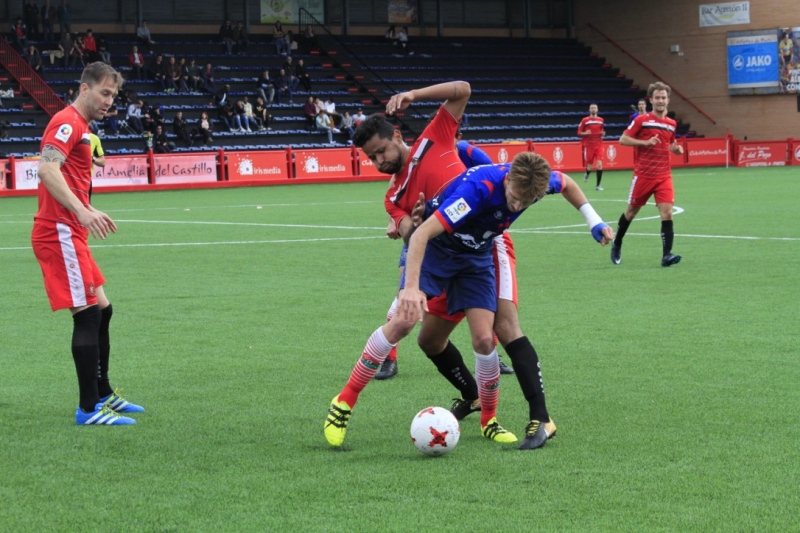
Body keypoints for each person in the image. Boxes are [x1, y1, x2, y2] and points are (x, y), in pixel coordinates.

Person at [398, 153, 612, 450]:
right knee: (430, 340)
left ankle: (541, 418)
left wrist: (594, 221)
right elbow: (458, 148)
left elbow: (566, 182)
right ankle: (472, 397)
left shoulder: (536, 182)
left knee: (504, 326)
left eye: (526, 201)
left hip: (489, 247)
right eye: (514, 197)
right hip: (448, 249)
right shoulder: (480, 187)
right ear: (507, 179)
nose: (517, 206)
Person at [32, 62, 143, 426]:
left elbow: (68, 177)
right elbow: (47, 169)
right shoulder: (67, 122)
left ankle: (103, 392)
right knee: (88, 314)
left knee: (103, 311)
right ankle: (88, 409)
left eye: (114, 95)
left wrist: (87, 208)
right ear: (84, 89)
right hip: (59, 231)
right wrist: (81, 211)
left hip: (71, 229)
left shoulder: (81, 127)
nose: (109, 101)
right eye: (104, 93)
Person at [611, 81, 685, 268]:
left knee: (667, 213)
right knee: (631, 213)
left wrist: (675, 150)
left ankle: (666, 255)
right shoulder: (641, 120)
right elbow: (623, 139)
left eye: (663, 98)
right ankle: (617, 243)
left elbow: (669, 143)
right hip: (643, 175)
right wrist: (645, 143)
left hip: (663, 176)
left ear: (668, 100)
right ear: (651, 100)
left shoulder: (671, 124)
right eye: (657, 98)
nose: (660, 101)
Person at [577, 103, 605, 190]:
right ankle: (587, 174)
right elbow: (579, 132)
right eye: (592, 108)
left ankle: (598, 185)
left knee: (600, 165)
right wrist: (585, 133)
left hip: (599, 145)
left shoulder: (601, 120)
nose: (593, 109)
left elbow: (601, 130)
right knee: (589, 166)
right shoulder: (585, 120)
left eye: (595, 108)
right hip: (589, 146)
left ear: (597, 110)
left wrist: (603, 133)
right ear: (589, 110)